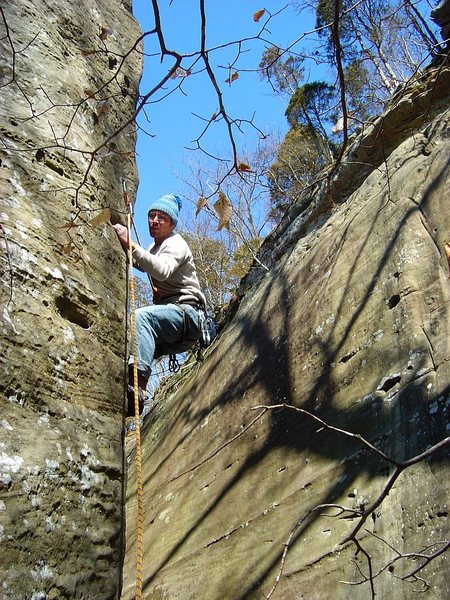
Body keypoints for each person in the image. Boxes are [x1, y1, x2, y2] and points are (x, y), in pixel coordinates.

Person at [113, 194, 206, 415]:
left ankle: (138, 391)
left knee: (141, 318)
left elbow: (162, 271)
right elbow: (139, 260)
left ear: (172, 224)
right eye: (151, 216)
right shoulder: (154, 248)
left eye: (161, 218)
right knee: (131, 340)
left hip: (187, 314)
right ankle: (128, 390)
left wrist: (131, 245)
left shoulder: (176, 243)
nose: (154, 221)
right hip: (175, 326)